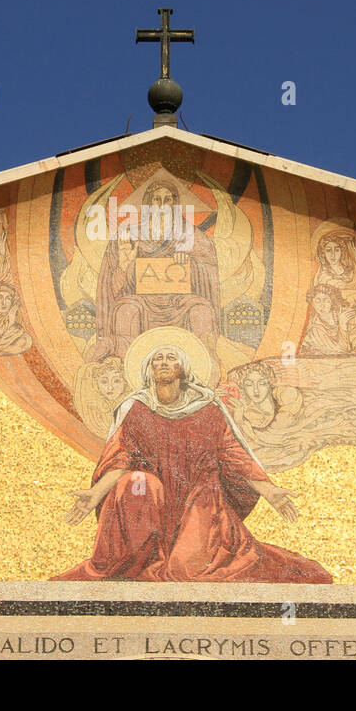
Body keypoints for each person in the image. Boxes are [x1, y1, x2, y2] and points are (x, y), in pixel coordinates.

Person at [55, 342, 331, 583]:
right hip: (152, 502)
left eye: (170, 358)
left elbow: (233, 454)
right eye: (157, 359)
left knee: (187, 570)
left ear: (184, 368)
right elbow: (121, 457)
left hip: (199, 497)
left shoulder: (208, 409)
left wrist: (269, 491)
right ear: (149, 370)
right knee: (137, 481)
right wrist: (96, 493)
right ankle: (132, 555)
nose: (163, 363)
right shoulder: (137, 409)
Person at [91, 181, 222, 366]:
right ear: (148, 204)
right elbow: (112, 287)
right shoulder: (128, 234)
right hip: (141, 301)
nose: (161, 205)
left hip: (179, 302)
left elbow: (208, 269)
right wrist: (124, 265)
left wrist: (190, 263)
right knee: (126, 310)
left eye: (167, 200)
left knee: (201, 310)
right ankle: (129, 368)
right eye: (156, 200)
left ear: (174, 205)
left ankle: (203, 367)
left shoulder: (190, 234)